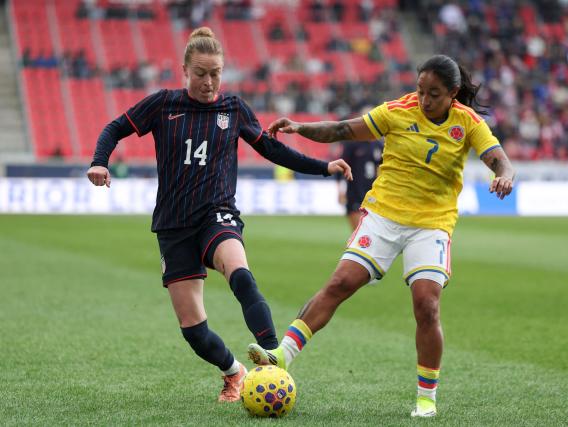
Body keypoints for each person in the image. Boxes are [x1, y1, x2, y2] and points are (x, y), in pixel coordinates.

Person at [86, 27, 352, 403]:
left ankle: (274, 361)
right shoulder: (163, 105)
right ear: (184, 70)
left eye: (216, 73)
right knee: (193, 330)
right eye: (200, 73)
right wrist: (99, 162)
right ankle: (234, 373)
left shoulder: (234, 109)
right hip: (174, 224)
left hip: (217, 214)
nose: (209, 82)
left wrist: (324, 168)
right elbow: (115, 128)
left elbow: (273, 151)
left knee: (240, 275)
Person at [248, 54, 515, 417]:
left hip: (432, 222)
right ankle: (283, 354)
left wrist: (505, 175)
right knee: (341, 282)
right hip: (384, 215)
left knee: (427, 304)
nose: (423, 100)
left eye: (433, 94)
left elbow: (499, 159)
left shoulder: (468, 123)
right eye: (420, 90)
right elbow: (343, 129)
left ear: (453, 93)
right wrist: (301, 127)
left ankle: (426, 398)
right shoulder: (397, 110)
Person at [337, 136, 383, 230]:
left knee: (371, 233)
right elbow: (341, 168)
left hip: (373, 194)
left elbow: (384, 167)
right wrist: (340, 190)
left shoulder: (379, 145)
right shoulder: (352, 144)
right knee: (358, 232)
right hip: (355, 193)